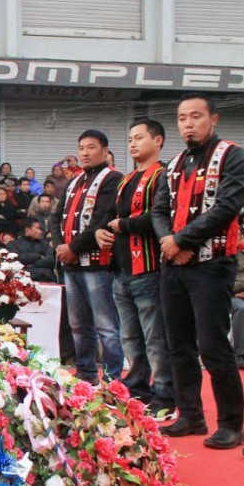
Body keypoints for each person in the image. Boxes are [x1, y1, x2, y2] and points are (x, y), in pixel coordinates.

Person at [153, 93, 244, 449]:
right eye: (182, 118)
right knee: (177, 344)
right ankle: (190, 415)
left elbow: (227, 207)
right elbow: (158, 210)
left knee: (213, 346)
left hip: (212, 265)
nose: (188, 124)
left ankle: (231, 423)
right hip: (174, 265)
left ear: (214, 119)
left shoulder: (234, 156)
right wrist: (169, 241)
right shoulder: (175, 162)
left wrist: (180, 241)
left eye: (196, 116)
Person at [98, 118, 173, 416]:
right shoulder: (127, 179)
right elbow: (109, 217)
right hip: (121, 268)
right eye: (130, 138)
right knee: (129, 336)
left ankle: (165, 394)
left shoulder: (163, 175)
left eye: (139, 137)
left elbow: (160, 217)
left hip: (149, 266)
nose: (132, 143)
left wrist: (121, 225)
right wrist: (102, 232)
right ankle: (139, 388)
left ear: (158, 141)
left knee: (154, 337)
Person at [49, 129, 123, 385]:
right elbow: (56, 216)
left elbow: (103, 219)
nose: (85, 153)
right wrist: (60, 246)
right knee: (78, 325)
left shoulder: (113, 178)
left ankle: (113, 379)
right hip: (70, 264)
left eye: (91, 147)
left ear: (104, 151)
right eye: (81, 148)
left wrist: (72, 248)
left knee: (106, 326)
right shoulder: (75, 181)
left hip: (97, 264)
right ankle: (86, 374)